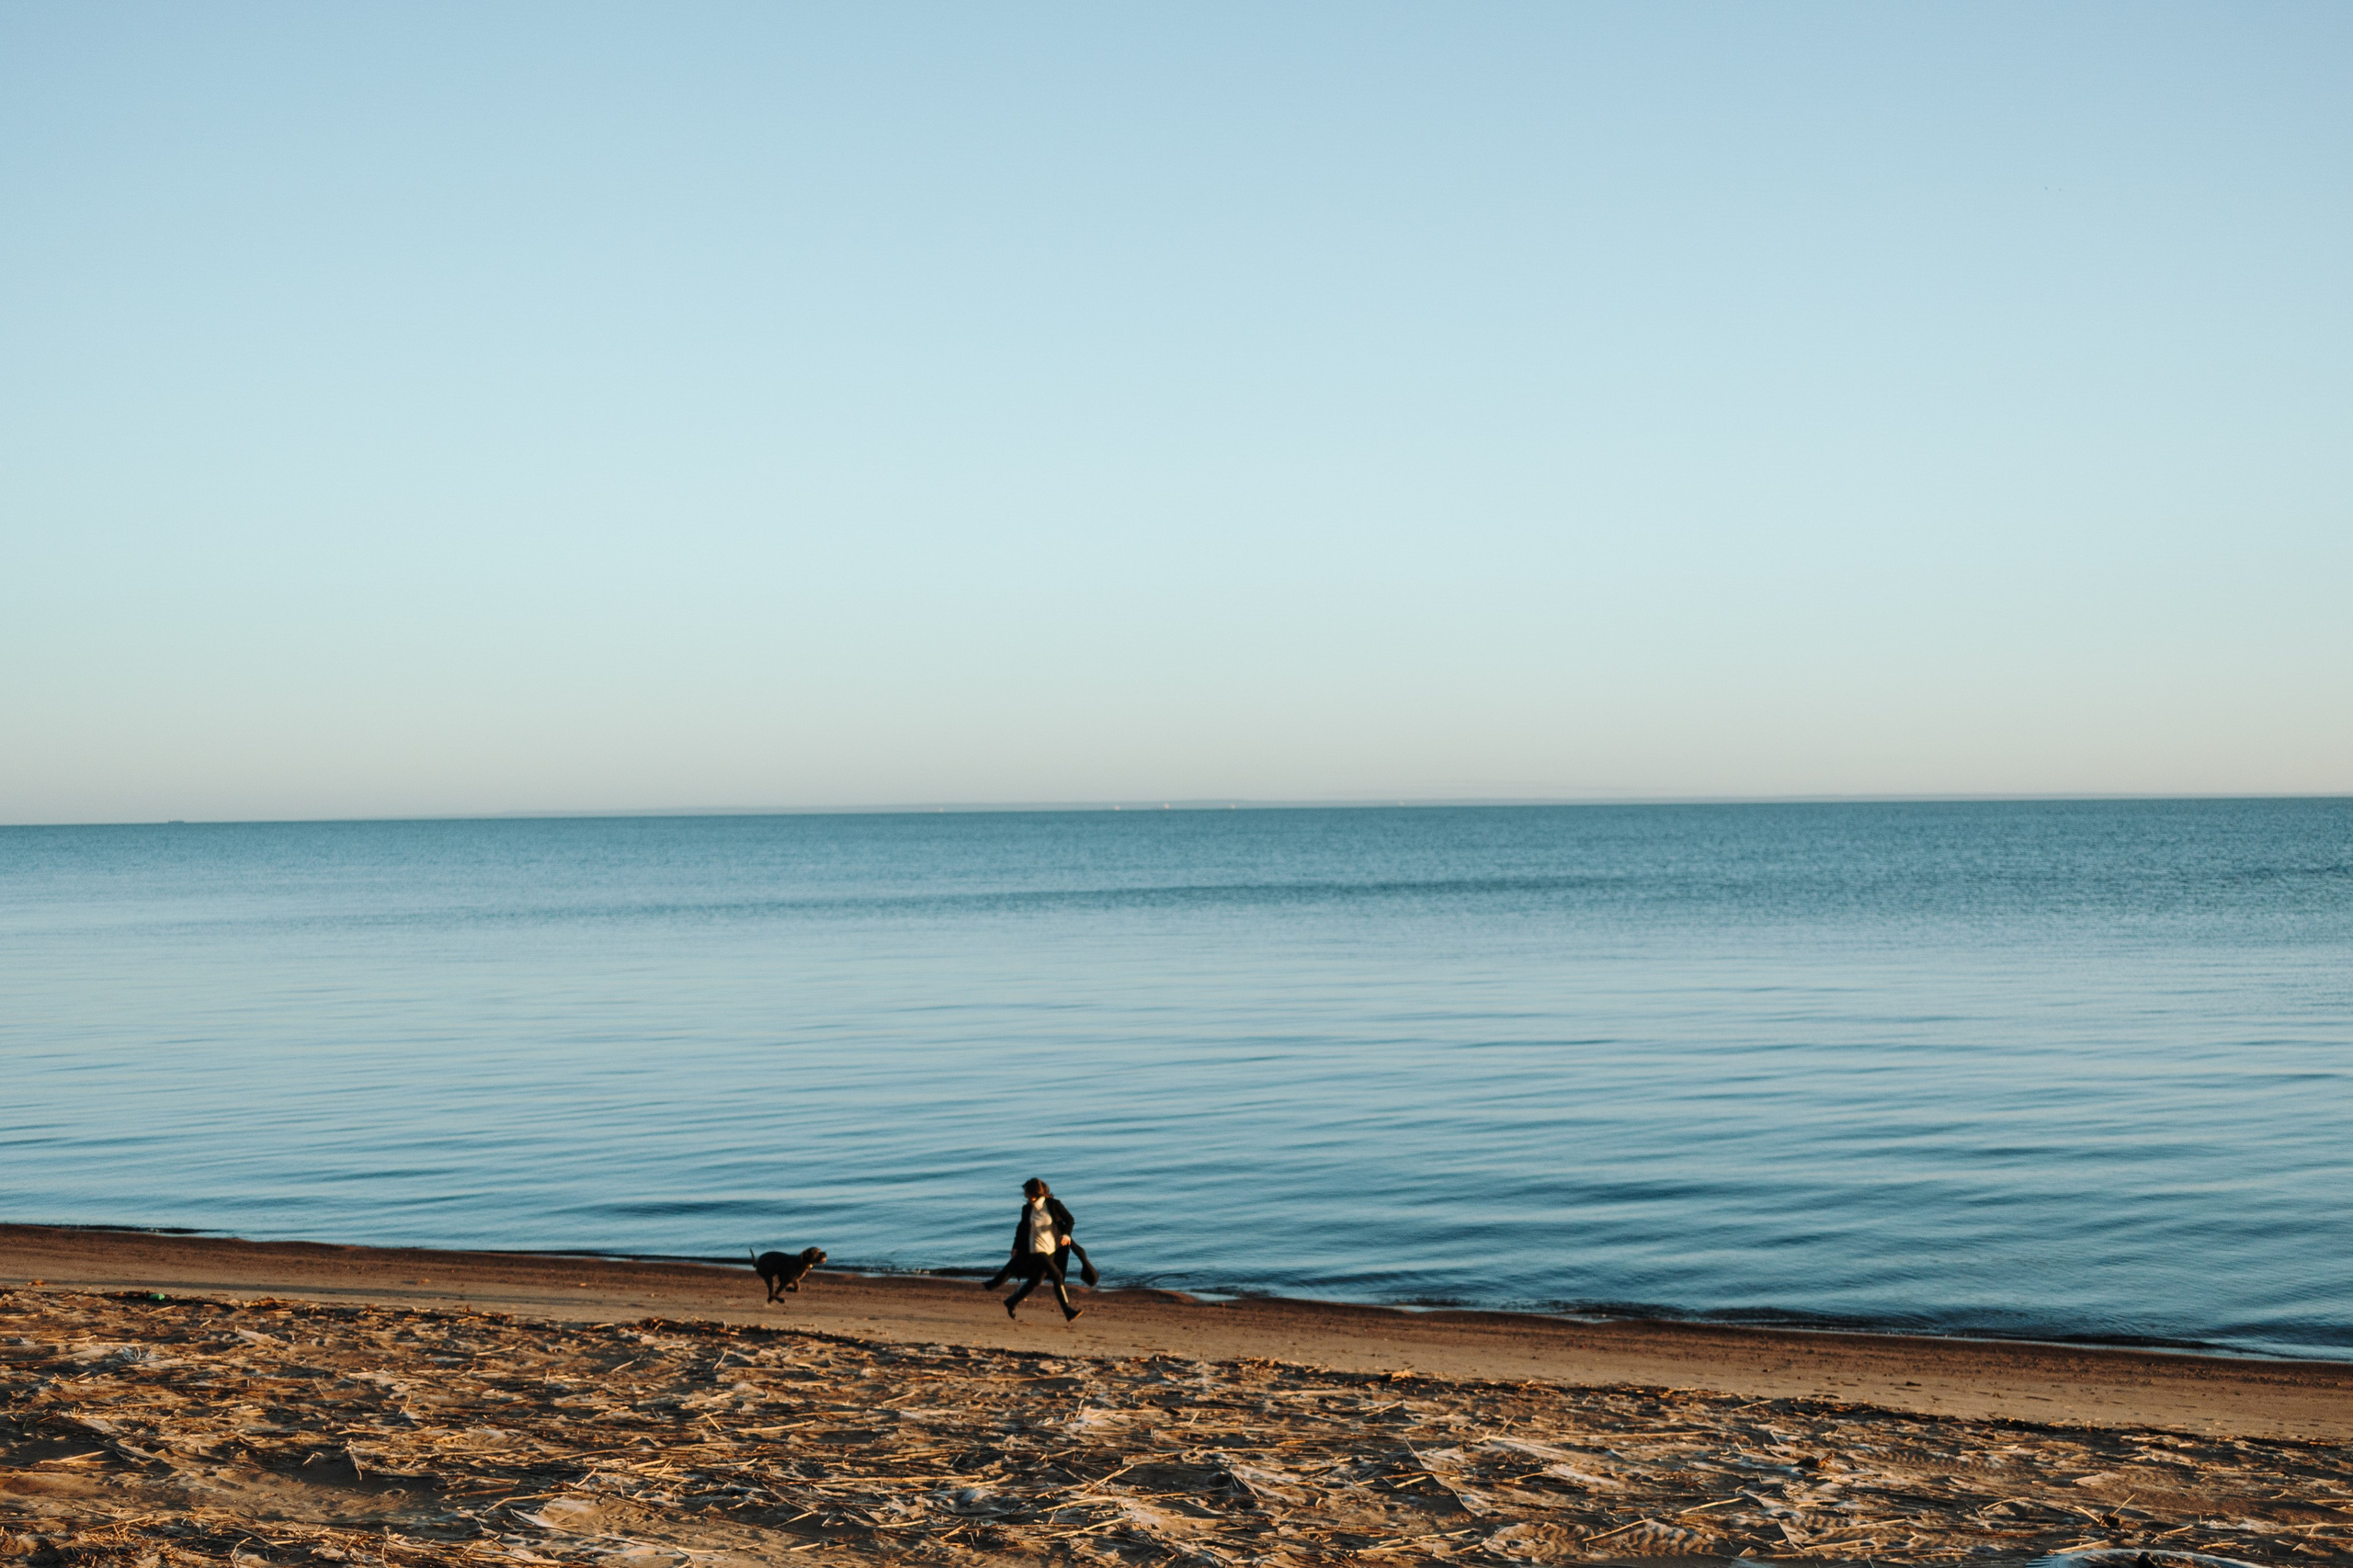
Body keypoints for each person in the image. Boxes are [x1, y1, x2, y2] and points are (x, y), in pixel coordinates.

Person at [984, 1176, 1086, 1321]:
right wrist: (1016, 1246)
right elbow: (1021, 1228)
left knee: (1036, 1281)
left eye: (1027, 1192)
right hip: (1036, 1248)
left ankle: (1011, 1301)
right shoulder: (1027, 1209)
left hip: (1052, 1249)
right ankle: (1068, 1311)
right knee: (1057, 1276)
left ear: (1034, 1192)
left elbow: (1070, 1220)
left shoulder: (1053, 1205)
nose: (1025, 1195)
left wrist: (1066, 1235)